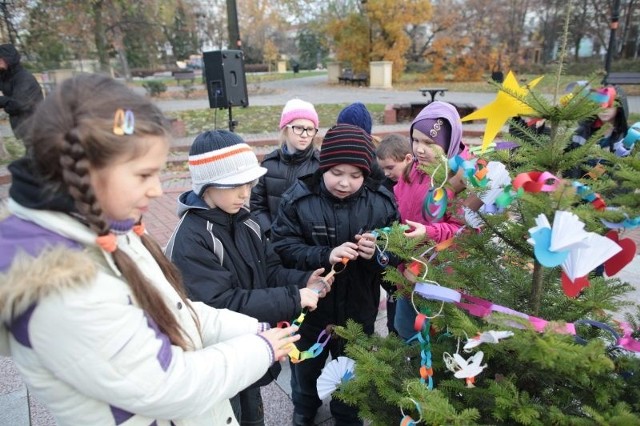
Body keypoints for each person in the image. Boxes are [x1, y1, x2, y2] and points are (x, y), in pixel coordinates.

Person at [0, 73, 300, 426]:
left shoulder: (108, 225)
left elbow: (179, 311)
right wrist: (260, 348)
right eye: (144, 176)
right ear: (88, 171)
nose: (158, 191)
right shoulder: (60, 282)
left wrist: (253, 329)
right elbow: (166, 386)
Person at [165, 129, 331, 426]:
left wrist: (303, 280)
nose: (246, 193)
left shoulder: (246, 220)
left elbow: (269, 270)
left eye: (249, 183)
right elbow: (221, 303)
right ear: (206, 185)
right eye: (235, 185)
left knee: (252, 413)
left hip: (246, 348)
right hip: (214, 358)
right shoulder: (192, 239)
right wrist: (293, 298)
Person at [270, 124, 401, 426]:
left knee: (351, 374)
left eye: (355, 175)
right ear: (323, 166)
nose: (345, 183)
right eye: (337, 173)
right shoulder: (298, 199)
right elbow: (282, 247)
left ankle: (347, 415)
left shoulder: (380, 202)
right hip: (311, 311)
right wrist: (323, 255)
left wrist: (378, 255)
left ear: (366, 173)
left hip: (358, 311)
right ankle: (304, 408)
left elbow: (395, 254)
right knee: (305, 369)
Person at [392, 101, 467, 341]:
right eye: (415, 140)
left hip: (442, 279)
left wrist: (428, 232)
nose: (419, 149)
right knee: (405, 330)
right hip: (408, 273)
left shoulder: (462, 178)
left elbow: (461, 231)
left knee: (437, 339)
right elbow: (399, 204)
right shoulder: (412, 169)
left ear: (448, 143)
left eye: (429, 143)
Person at [250, 98, 320, 237]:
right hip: (275, 243)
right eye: (299, 128)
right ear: (285, 129)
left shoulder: (320, 165)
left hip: (307, 246)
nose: (305, 135)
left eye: (310, 129)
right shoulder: (269, 163)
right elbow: (257, 205)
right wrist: (270, 232)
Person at [374, 133, 414, 334]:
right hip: (392, 266)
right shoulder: (384, 190)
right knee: (395, 322)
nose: (386, 173)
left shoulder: (418, 185)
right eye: (383, 169)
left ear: (408, 159)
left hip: (415, 261)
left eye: (390, 167)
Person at [0, 44, 44, 140]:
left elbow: (17, 104)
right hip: (21, 126)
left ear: (9, 59)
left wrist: (3, 101)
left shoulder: (24, 78)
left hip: (34, 127)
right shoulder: (5, 76)